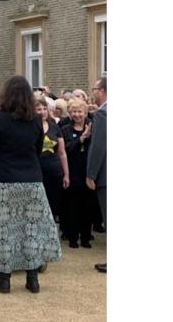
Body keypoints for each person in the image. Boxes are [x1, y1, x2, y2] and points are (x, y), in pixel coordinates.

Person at [0, 76, 61, 294]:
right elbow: (37, 150)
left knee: (4, 230)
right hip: (32, 181)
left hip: (4, 180)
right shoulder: (37, 120)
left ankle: (5, 279)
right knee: (32, 230)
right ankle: (32, 279)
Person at [60, 98, 95, 248]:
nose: (77, 114)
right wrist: (82, 138)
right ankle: (73, 238)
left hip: (88, 173)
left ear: (85, 112)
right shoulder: (66, 130)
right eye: (74, 111)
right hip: (73, 172)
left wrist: (89, 135)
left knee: (88, 207)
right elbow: (66, 150)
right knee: (73, 208)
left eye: (80, 111)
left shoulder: (93, 127)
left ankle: (86, 237)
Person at [36, 97, 70, 225]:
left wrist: (66, 174)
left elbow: (62, 153)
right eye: (39, 109)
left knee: (54, 202)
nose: (42, 112)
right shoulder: (30, 127)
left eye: (44, 109)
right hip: (37, 172)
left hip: (54, 171)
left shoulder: (55, 128)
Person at [86, 77, 107, 273]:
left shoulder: (102, 114)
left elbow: (99, 146)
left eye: (95, 89)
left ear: (102, 91)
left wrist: (91, 173)